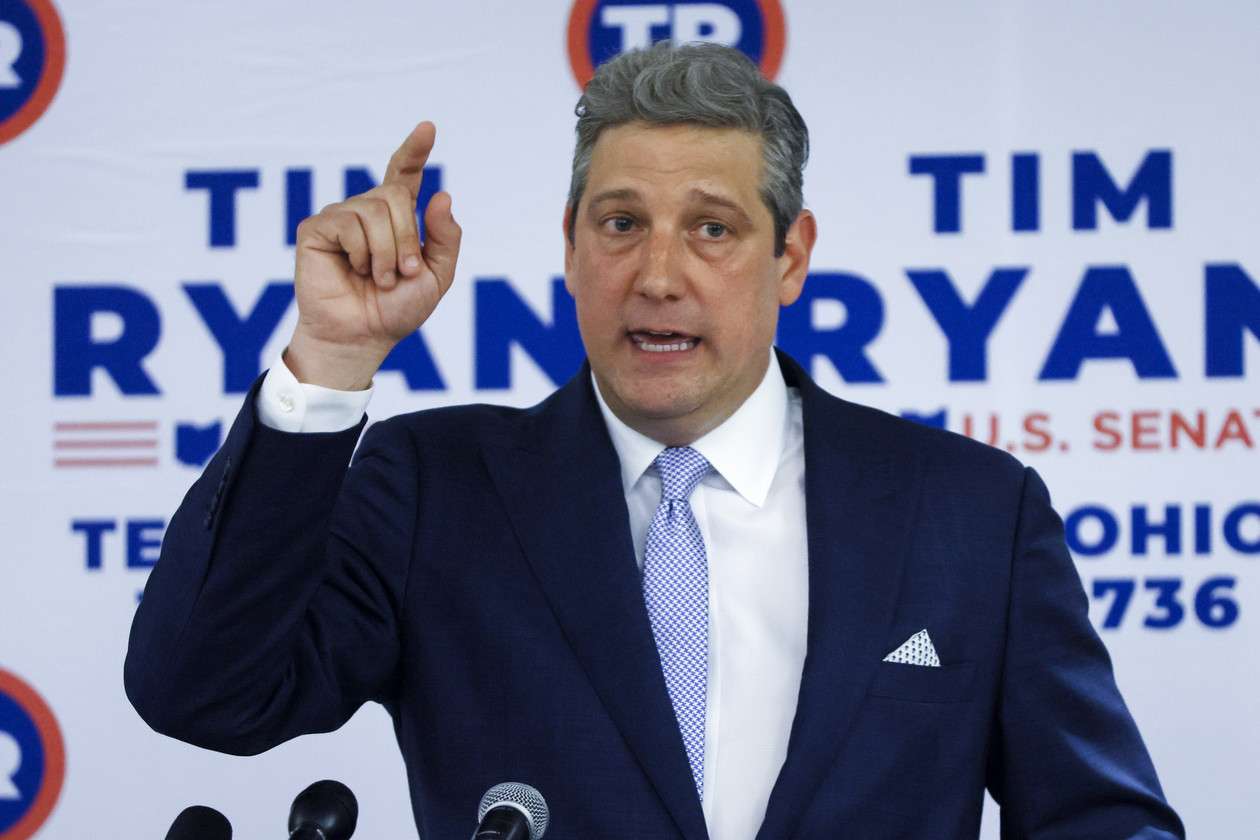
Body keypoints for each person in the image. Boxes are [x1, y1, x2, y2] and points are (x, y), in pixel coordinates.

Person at [125, 42, 1183, 840]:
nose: (660, 274)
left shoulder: (972, 512)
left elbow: (1101, 819)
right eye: (621, 223)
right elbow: (205, 693)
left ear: (792, 257)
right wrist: (330, 358)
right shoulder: (433, 487)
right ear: (572, 249)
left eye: (713, 228)